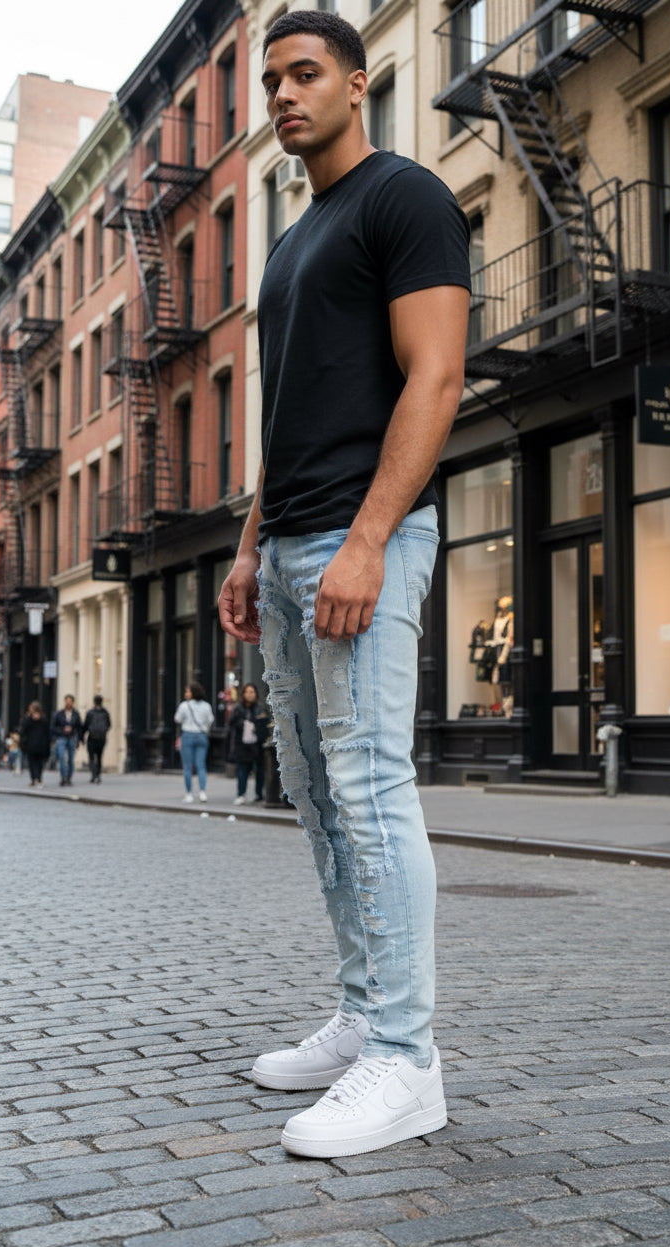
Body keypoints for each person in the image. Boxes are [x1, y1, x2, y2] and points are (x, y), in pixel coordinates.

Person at [218, 10, 470, 1158]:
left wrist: (368, 538)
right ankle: (364, 1015)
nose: (282, 93)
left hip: (362, 539)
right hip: (286, 550)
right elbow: (287, 414)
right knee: (317, 799)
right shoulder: (290, 241)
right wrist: (246, 543)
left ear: (357, 82)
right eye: (269, 79)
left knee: (370, 788)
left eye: (304, 72)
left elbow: (435, 376)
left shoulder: (401, 198)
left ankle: (408, 1061)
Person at [226, 683, 269, 805]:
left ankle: (259, 794)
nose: (250, 695)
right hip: (242, 745)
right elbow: (232, 725)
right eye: (248, 692)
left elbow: (264, 726)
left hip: (257, 744)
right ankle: (241, 794)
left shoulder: (259, 709)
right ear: (243, 694)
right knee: (242, 770)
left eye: (252, 692)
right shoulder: (238, 709)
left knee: (260, 770)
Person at [174, 681, 215, 803]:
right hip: (202, 736)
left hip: (188, 735)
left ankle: (189, 794)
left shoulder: (184, 706)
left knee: (187, 767)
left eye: (188, 691)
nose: (186, 693)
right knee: (201, 765)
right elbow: (210, 720)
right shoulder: (206, 706)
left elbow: (177, 719)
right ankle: (202, 792)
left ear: (193, 692)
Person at [50, 694, 83, 786]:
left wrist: (79, 739)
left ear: (72, 703)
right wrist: (62, 730)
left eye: (70, 702)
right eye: (67, 701)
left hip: (72, 737)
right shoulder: (59, 714)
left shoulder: (76, 714)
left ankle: (69, 777)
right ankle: (63, 777)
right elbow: (53, 727)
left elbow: (79, 727)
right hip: (62, 737)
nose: (68, 703)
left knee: (71, 759)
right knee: (61, 757)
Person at [19, 702, 51, 789]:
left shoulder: (42, 720)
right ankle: (35, 778)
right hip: (34, 744)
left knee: (37, 762)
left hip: (37, 744)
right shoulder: (29, 720)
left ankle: (36, 778)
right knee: (34, 762)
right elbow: (23, 730)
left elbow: (47, 732)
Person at [83, 695, 111, 784]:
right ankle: (98, 775)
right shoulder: (105, 712)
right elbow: (109, 725)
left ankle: (93, 774)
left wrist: (82, 736)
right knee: (99, 757)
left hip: (92, 737)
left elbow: (85, 726)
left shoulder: (90, 713)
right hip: (102, 738)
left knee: (91, 757)